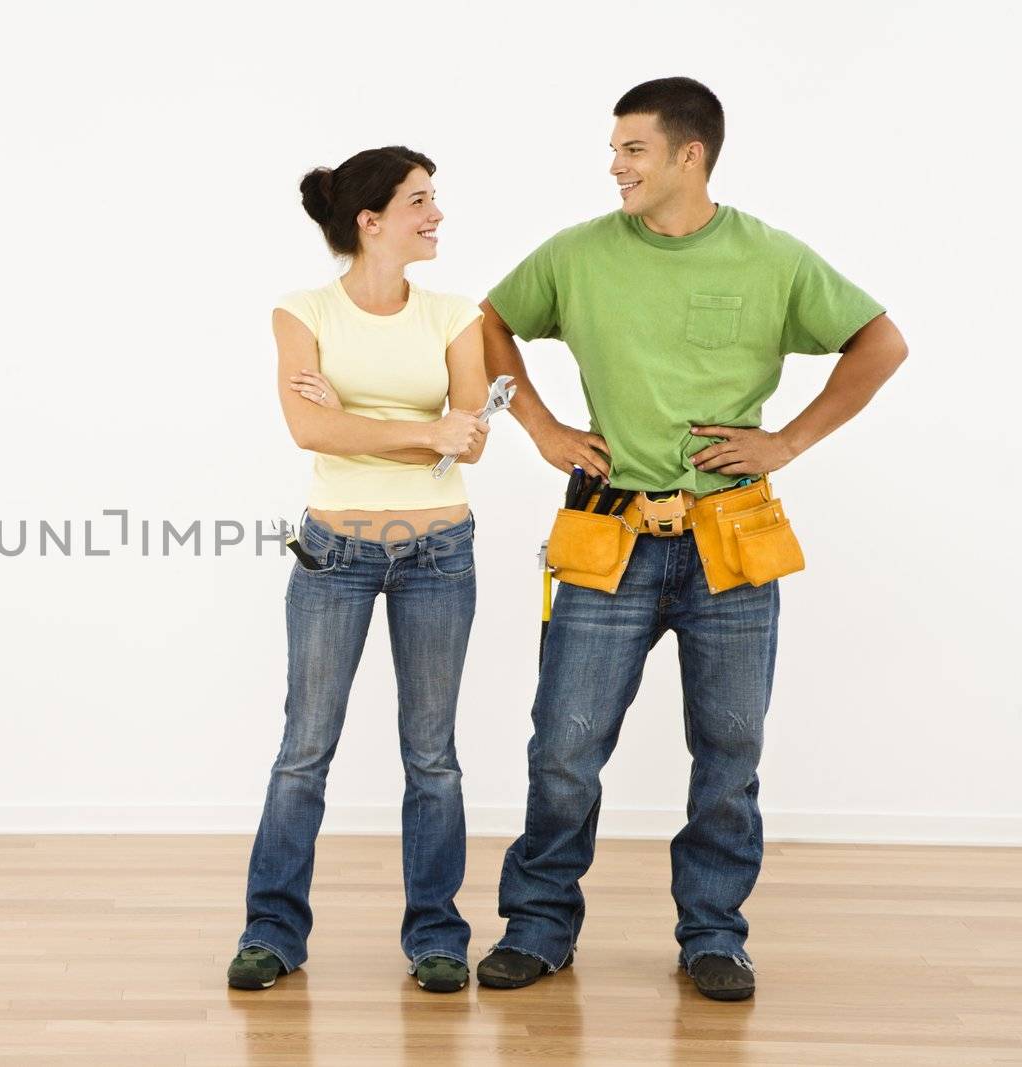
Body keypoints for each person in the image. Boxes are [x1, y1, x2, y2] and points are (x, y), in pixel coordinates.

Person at [472, 78, 908, 1001]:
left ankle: (714, 934)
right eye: (615, 147)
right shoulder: (578, 254)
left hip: (732, 537)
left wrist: (787, 439)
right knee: (563, 746)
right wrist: (543, 430)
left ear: (688, 156)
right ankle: (540, 925)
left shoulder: (772, 257)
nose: (615, 165)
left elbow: (880, 341)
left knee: (730, 749)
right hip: (609, 533)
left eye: (633, 148)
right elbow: (489, 325)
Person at [227, 146, 490, 994]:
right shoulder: (300, 312)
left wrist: (360, 417)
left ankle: (438, 937)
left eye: (435, 199)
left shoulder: (456, 314)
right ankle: (271, 932)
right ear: (370, 221)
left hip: (439, 553)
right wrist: (421, 433)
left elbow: (473, 437)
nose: (437, 214)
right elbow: (311, 432)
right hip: (333, 551)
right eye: (420, 201)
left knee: (433, 755)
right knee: (304, 749)